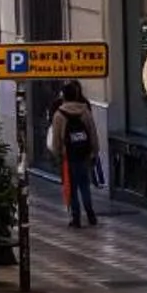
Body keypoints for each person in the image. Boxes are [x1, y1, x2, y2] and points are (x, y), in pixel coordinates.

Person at [47, 79, 102, 227]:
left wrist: (57, 155)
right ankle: (90, 214)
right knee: (85, 185)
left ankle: (76, 217)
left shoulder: (59, 114)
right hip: (84, 153)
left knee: (71, 187)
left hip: (68, 155)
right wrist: (95, 151)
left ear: (64, 96)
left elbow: (56, 138)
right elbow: (92, 132)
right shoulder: (85, 111)